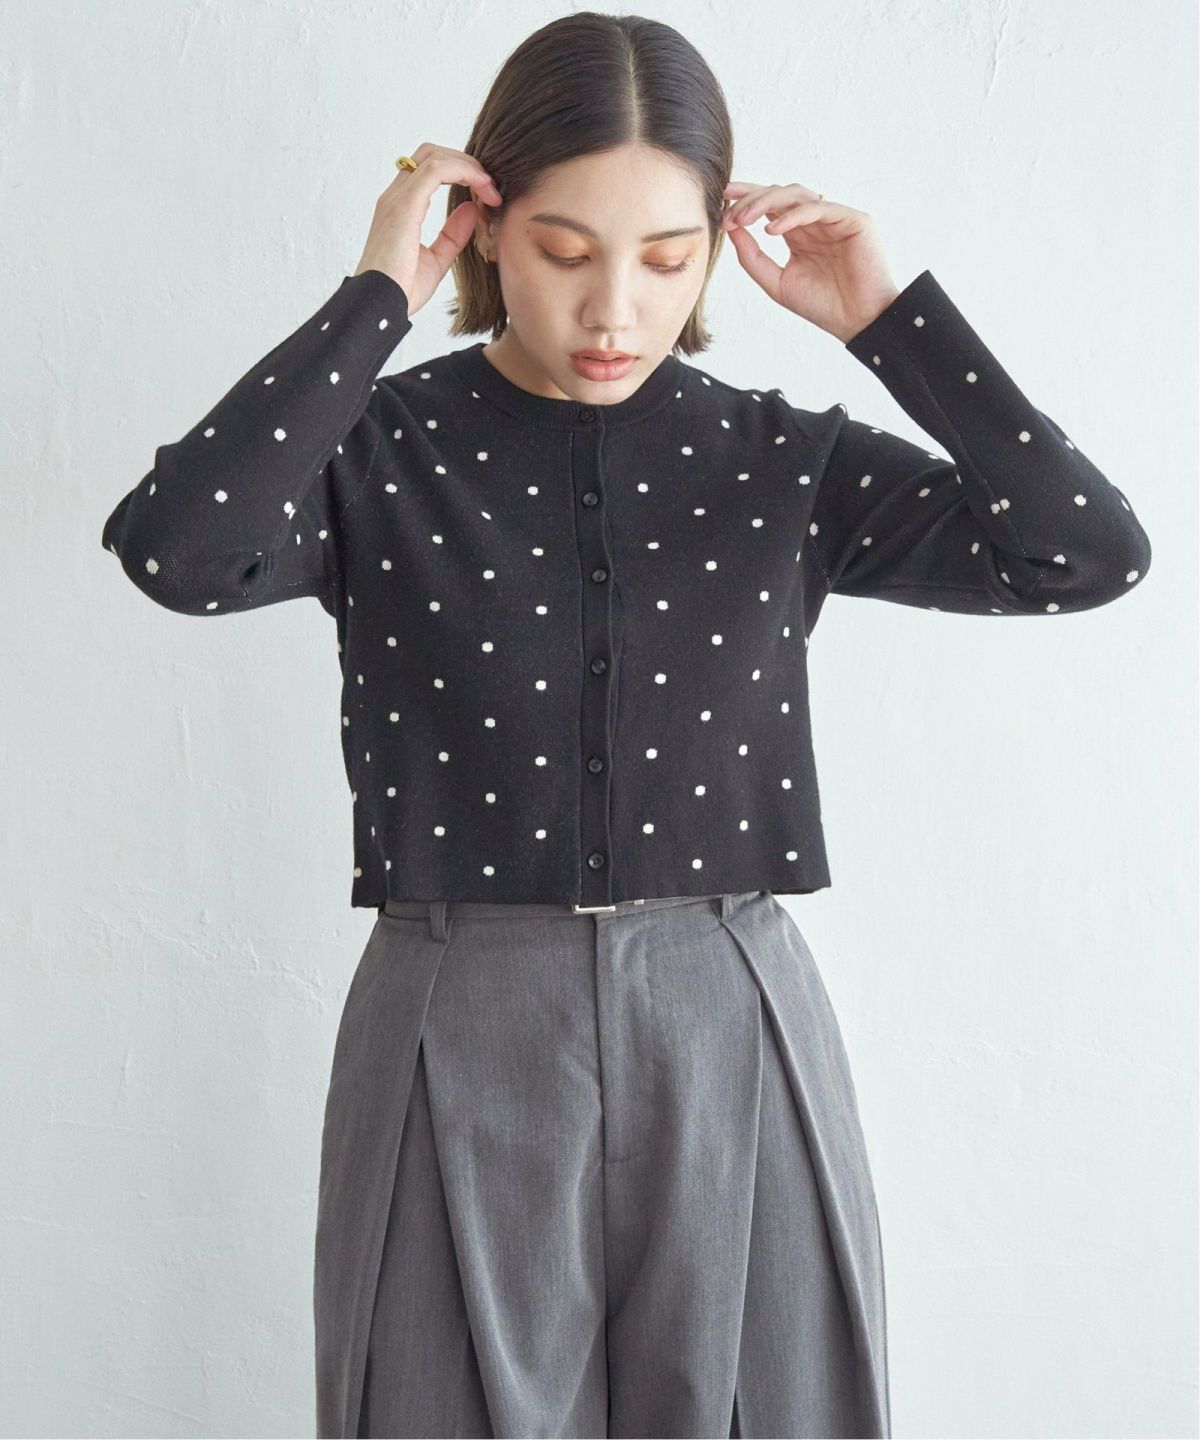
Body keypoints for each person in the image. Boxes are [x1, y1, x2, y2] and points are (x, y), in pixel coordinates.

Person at [99, 13, 1152, 1439]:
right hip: (456, 1008)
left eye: (665, 259)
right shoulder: (377, 452)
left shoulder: (783, 459)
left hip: (730, 1014)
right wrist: (376, 293)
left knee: (775, 1407)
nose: (614, 311)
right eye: (563, 250)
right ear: (485, 231)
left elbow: (1085, 554)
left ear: (714, 249)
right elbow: (177, 549)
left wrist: (890, 318)